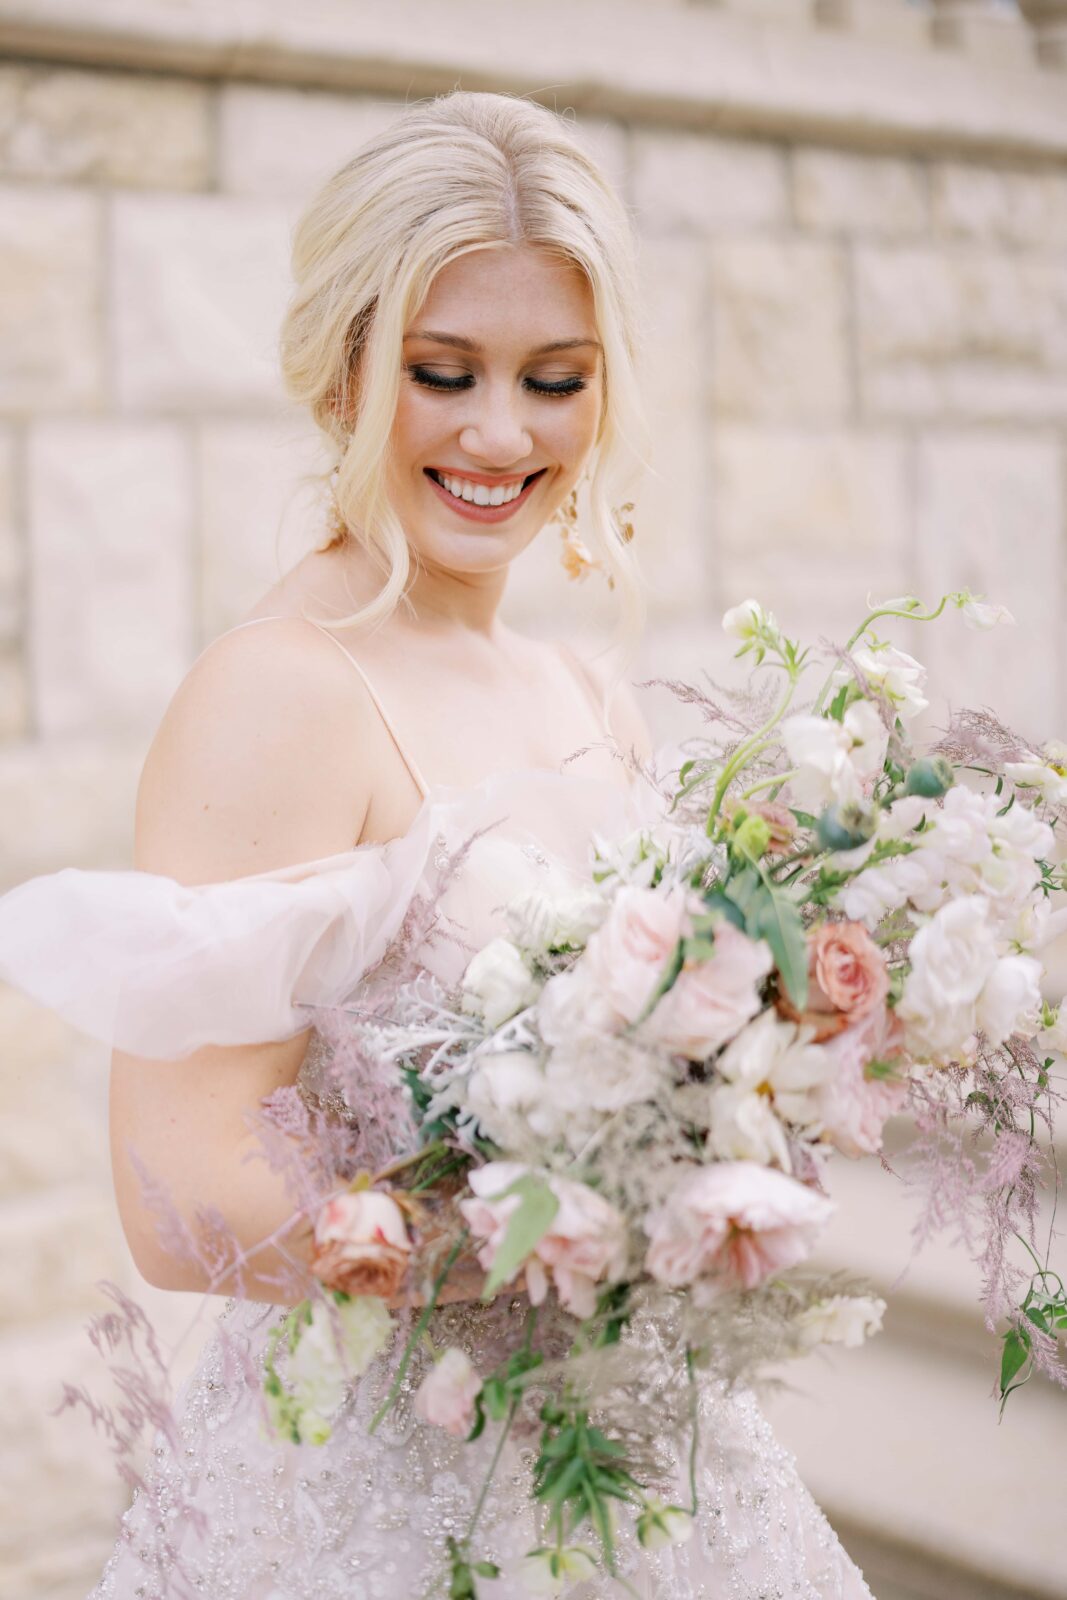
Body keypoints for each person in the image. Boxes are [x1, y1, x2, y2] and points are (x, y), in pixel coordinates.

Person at [0, 91, 873, 1598]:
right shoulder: (283, 691)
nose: (498, 434)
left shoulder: (580, 690)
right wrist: (531, 1237)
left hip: (636, 1449)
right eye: (442, 372)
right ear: (343, 371)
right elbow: (178, 1189)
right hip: (385, 1486)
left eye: (554, 380)